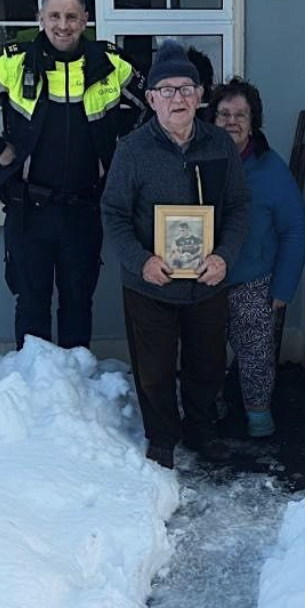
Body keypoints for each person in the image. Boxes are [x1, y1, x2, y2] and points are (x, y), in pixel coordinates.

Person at [0, 0, 140, 349]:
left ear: (85, 21)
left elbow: (153, 106)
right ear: (40, 18)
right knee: (31, 305)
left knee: (78, 304)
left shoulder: (110, 65)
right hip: (28, 211)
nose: (62, 25)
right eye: (54, 16)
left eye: (71, 17)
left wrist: (123, 158)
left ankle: (75, 390)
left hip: (84, 210)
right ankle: (35, 398)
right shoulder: (15, 62)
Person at [101, 40, 250, 470]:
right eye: (166, 90)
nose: (178, 98)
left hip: (207, 282)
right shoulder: (132, 150)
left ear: (201, 95)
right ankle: (162, 437)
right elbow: (113, 213)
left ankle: (202, 430)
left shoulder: (220, 145)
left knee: (207, 365)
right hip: (151, 284)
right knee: (155, 370)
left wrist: (224, 256)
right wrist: (141, 261)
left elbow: (240, 206)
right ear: (151, 99)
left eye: (186, 88)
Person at [209, 77, 305, 438]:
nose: (232, 121)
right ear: (211, 118)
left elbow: (295, 228)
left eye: (241, 114)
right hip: (203, 280)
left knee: (255, 357)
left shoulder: (271, 169)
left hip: (252, 281)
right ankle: (210, 409)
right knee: (205, 355)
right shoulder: (198, 160)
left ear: (254, 122)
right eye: (224, 114)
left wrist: (283, 288)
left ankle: (258, 416)